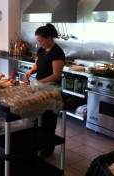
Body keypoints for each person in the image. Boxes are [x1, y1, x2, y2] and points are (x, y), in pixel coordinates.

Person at [25, 23, 65, 158]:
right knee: (38, 117)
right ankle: (37, 146)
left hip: (51, 91)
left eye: (41, 40)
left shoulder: (57, 52)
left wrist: (39, 82)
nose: (40, 43)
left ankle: (47, 150)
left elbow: (56, 75)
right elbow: (38, 63)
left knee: (48, 120)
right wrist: (30, 71)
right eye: (38, 41)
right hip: (40, 88)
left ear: (49, 37)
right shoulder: (43, 50)